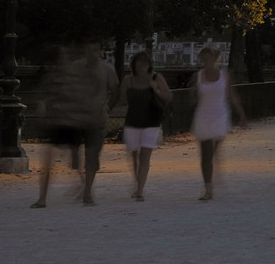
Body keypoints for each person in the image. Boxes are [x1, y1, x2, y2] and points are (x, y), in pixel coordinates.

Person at [31, 42, 117, 208]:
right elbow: (50, 94)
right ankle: (44, 198)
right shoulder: (58, 75)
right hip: (60, 122)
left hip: (71, 122)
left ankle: (84, 189)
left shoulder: (73, 73)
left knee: (75, 160)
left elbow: (80, 94)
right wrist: (43, 103)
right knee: (53, 161)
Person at [113, 51, 173, 202]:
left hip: (151, 121)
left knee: (145, 155)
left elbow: (168, 96)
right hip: (132, 121)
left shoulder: (156, 78)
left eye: (145, 64)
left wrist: (156, 89)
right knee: (134, 155)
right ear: (134, 66)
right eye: (139, 64)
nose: (142, 67)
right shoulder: (128, 80)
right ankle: (137, 183)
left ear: (149, 65)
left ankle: (140, 190)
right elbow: (120, 99)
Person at [192, 44, 246, 202]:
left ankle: (212, 172)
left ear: (215, 59)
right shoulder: (199, 76)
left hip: (220, 114)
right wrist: (192, 95)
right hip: (203, 115)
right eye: (203, 58)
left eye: (209, 58)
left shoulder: (224, 75)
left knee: (213, 150)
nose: (206, 61)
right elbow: (194, 97)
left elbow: (232, 96)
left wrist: (241, 114)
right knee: (206, 154)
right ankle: (208, 188)